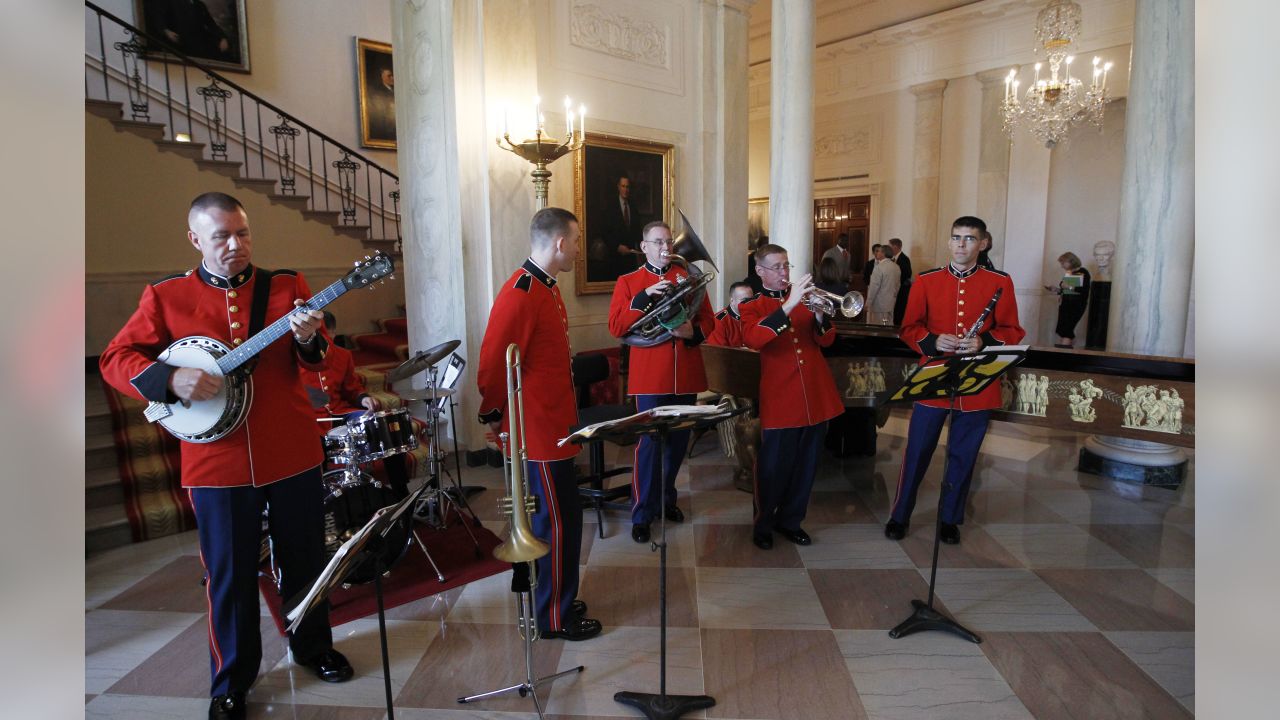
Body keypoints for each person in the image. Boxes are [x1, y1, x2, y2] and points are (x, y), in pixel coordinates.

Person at [99, 192, 353, 720]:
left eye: (243, 234)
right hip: (216, 463)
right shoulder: (165, 296)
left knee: (305, 558)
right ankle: (233, 679)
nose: (235, 245)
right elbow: (115, 358)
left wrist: (310, 342)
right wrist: (171, 379)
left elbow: (317, 363)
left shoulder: (287, 287)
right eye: (221, 236)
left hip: (291, 451)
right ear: (196, 240)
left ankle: (312, 647)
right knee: (230, 573)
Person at [477, 207, 602, 641]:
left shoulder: (545, 287)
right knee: (558, 523)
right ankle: (554, 616)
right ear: (560, 243)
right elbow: (493, 362)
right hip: (539, 432)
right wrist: (496, 417)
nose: (579, 249)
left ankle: (559, 593)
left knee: (563, 517)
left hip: (555, 425)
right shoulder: (522, 291)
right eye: (578, 240)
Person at [884, 216, 1025, 546]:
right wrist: (934, 341)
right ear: (949, 243)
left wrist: (983, 341)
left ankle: (950, 518)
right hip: (935, 376)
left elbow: (1013, 330)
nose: (962, 244)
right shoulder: (927, 280)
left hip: (978, 381)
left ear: (983, 244)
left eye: (970, 239)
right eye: (956, 238)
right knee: (917, 451)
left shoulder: (999, 281)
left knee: (964, 454)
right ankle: (900, 514)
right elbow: (909, 329)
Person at [608, 220, 716, 544]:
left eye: (669, 241)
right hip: (650, 379)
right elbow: (616, 326)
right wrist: (642, 297)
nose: (665, 247)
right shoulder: (629, 282)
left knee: (677, 445)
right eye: (658, 242)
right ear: (644, 247)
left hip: (685, 374)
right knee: (649, 447)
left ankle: (667, 499)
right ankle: (641, 513)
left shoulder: (688, 277)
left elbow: (709, 320)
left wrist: (692, 333)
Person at [739, 243, 844, 550]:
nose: (785, 272)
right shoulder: (752, 306)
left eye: (787, 265)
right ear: (760, 271)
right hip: (781, 396)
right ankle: (763, 524)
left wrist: (823, 317)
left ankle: (792, 521)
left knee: (807, 465)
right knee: (773, 466)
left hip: (815, 393)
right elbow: (754, 338)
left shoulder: (807, 300)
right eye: (777, 267)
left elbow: (826, 340)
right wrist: (787, 305)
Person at [301, 312, 409, 494]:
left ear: (333, 334)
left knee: (384, 428)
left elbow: (352, 388)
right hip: (311, 419)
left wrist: (364, 398)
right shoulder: (298, 358)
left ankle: (400, 489)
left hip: (342, 413)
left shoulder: (343, 355)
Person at [593, 174, 643, 280]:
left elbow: (637, 231)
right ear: (618, 187)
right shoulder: (610, 206)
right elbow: (604, 232)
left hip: (631, 257)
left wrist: (640, 251)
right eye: (623, 186)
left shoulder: (633, 207)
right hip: (614, 257)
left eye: (627, 187)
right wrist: (617, 247)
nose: (625, 189)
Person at [1046, 251, 1091, 348]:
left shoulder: (1083, 272)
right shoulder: (1069, 273)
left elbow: (1083, 290)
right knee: (1062, 329)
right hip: (1065, 305)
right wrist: (1056, 290)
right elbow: (1067, 291)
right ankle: (1068, 346)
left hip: (1076, 306)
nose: (1062, 266)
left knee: (1067, 329)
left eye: (1063, 263)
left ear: (1071, 261)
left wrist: (1068, 287)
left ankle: (1063, 351)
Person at [706, 282, 755, 348]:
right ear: (732, 300)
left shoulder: (757, 316)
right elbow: (717, 353)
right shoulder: (719, 320)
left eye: (751, 300)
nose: (749, 303)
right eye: (744, 300)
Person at [865, 244, 901, 325]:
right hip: (891, 303)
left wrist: (868, 303)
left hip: (879, 305)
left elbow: (874, 288)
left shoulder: (878, 267)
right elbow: (898, 285)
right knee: (889, 327)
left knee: (877, 329)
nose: (877, 253)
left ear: (883, 253)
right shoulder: (896, 267)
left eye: (879, 251)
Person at [886, 238, 913, 325]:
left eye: (889, 246)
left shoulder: (904, 259)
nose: (888, 249)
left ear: (895, 247)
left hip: (901, 291)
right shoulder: (892, 259)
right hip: (894, 291)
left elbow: (907, 274)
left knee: (899, 313)